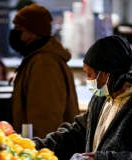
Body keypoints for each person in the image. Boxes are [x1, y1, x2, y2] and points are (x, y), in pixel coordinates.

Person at [9, 4, 79, 138]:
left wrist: (39, 153)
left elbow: (45, 121)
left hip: (46, 152)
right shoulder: (35, 59)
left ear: (32, 32)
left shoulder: (44, 64)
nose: (14, 32)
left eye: (19, 28)